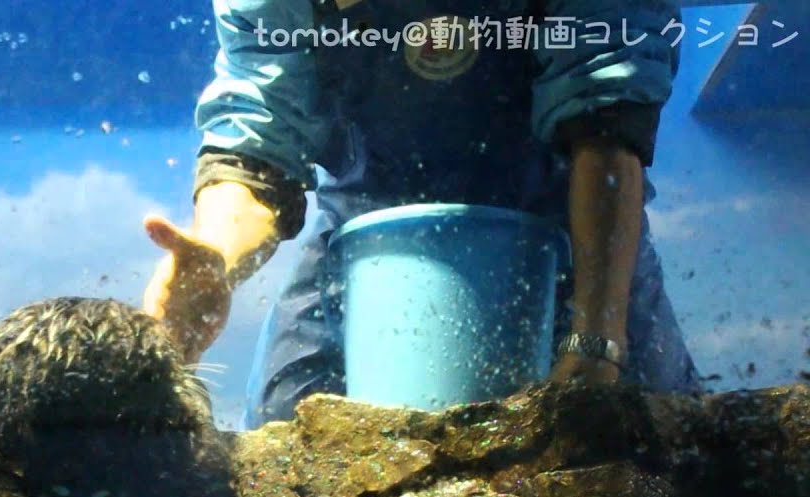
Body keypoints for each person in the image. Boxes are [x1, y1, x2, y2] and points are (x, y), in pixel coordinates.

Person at [141, 0, 703, 429]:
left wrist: (597, 338)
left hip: (573, 227)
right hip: (363, 233)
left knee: (649, 436)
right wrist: (216, 255)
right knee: (285, 426)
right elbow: (260, 139)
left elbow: (608, 123)